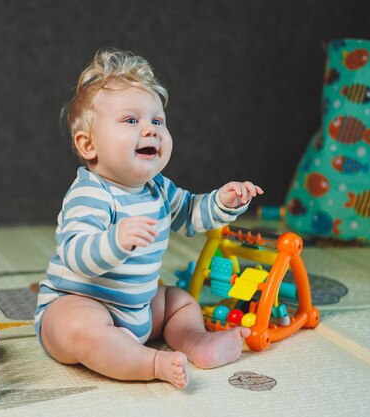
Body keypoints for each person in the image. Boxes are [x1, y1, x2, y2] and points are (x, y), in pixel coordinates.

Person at [34, 48, 263, 389]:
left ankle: (196, 342)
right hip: (81, 303)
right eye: (131, 120)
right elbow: (74, 253)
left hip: (139, 309)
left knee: (178, 301)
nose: (151, 130)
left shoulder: (158, 188)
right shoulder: (91, 193)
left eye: (157, 121)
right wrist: (115, 240)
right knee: (77, 327)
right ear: (88, 145)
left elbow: (189, 215)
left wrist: (223, 201)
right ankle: (151, 362)